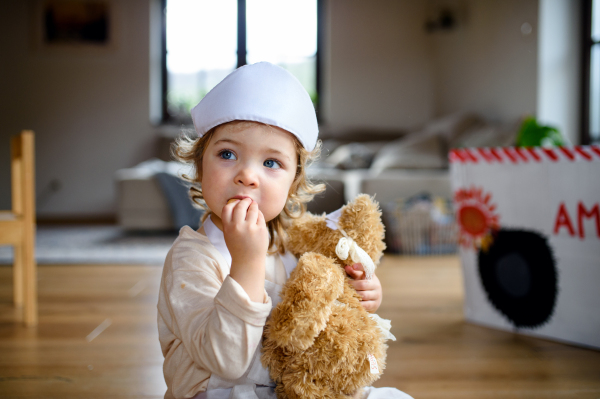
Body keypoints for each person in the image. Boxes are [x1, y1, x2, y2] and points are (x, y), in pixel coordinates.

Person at [157, 62, 414, 399]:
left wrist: (362, 293)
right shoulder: (190, 258)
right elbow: (226, 362)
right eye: (227, 153)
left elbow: (318, 314)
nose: (247, 175)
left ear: (293, 185)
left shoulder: (290, 246)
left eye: (271, 162)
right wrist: (246, 262)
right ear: (199, 166)